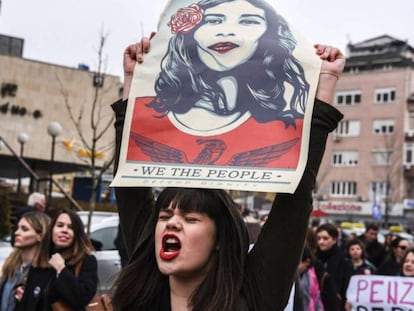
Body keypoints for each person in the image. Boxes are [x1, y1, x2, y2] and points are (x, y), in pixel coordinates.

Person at [110, 27, 345, 310]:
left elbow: (294, 202)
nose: (171, 223)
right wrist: (136, 81)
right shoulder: (144, 295)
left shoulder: (251, 297)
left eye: (190, 219)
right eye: (165, 215)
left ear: (219, 239)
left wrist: (326, 82)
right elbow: (129, 186)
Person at [127, 0, 313, 169]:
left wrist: (327, 77)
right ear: (190, 31)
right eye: (213, 20)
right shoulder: (148, 111)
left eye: (248, 21)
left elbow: (297, 196)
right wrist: (131, 77)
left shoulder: (283, 126)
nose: (226, 31)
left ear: (270, 35)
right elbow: (131, 190)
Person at [15, 209, 98, 311]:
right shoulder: (42, 258)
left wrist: (61, 270)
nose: (64, 230)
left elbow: (82, 299)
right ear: (52, 230)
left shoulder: (86, 261)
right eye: (59, 225)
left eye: (71, 227)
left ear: (77, 233)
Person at [0, 211, 50, 311]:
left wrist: (30, 300)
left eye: (25, 229)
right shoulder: (11, 265)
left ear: (40, 236)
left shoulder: (45, 272)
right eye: (18, 228)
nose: (16, 232)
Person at [315, 223, 353, 311]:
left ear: (334, 239)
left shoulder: (344, 261)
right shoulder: (313, 258)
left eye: (325, 238)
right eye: (319, 238)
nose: (321, 242)